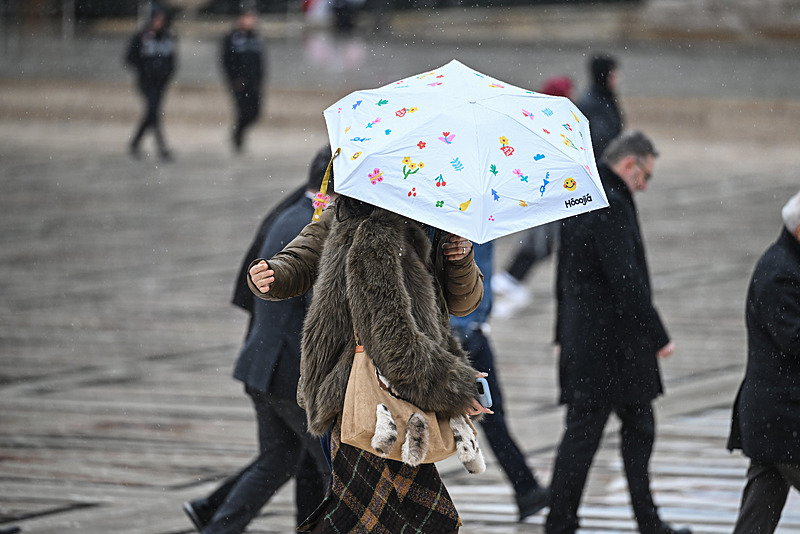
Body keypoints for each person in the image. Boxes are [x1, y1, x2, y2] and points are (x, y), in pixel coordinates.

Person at [247, 191, 489, 532]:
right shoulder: (349, 214)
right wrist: (271, 274)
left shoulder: (439, 219)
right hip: (352, 385)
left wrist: (460, 260)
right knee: (387, 516)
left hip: (410, 388)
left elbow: (463, 302)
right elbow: (301, 259)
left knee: (375, 516)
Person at [181, 147, 334, 534]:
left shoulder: (288, 216)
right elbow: (320, 311)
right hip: (291, 376)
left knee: (277, 462)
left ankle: (218, 527)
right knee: (340, 472)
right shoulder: (314, 231)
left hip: (262, 367)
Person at [546, 131, 691, 534]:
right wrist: (659, 335)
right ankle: (570, 523)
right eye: (645, 175)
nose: (644, 184)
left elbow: (565, 276)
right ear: (629, 164)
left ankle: (574, 522)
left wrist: (562, 334)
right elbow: (626, 279)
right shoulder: (608, 202)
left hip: (592, 342)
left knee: (606, 432)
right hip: (612, 346)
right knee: (593, 436)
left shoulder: (584, 194)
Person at [450, 240, 550, 521]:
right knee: (438, 420)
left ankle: (526, 489)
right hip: (461, 334)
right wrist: (460, 329)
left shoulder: (483, 217)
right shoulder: (460, 217)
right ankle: (526, 489)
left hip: (473, 332)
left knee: (492, 416)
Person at [727, 190, 800, 534]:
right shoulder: (780, 273)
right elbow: (795, 341)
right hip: (785, 416)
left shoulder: (789, 263)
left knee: (758, 513)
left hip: (775, 419)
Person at [492, 75, 574, 318]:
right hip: (546, 192)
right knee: (540, 241)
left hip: (548, 191)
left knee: (540, 242)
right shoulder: (551, 124)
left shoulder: (542, 120)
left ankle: (509, 278)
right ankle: (509, 278)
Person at [124, 6, 176, 160]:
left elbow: (172, 60)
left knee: (151, 113)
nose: (158, 22)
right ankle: (162, 147)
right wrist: (144, 69)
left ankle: (135, 143)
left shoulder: (168, 37)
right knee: (153, 111)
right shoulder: (141, 36)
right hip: (145, 82)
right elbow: (129, 57)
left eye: (161, 19)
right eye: (156, 19)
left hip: (161, 83)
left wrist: (167, 74)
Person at [221, 9, 266, 152]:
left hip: (254, 82)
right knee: (243, 111)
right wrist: (234, 79)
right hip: (239, 83)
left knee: (256, 112)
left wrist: (260, 79)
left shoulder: (256, 37)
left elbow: (260, 61)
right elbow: (226, 61)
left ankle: (238, 132)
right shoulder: (232, 38)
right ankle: (238, 137)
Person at [577, 54, 623, 160]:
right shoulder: (594, 103)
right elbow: (601, 142)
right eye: (613, 75)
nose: (617, 79)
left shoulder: (604, 97)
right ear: (604, 76)